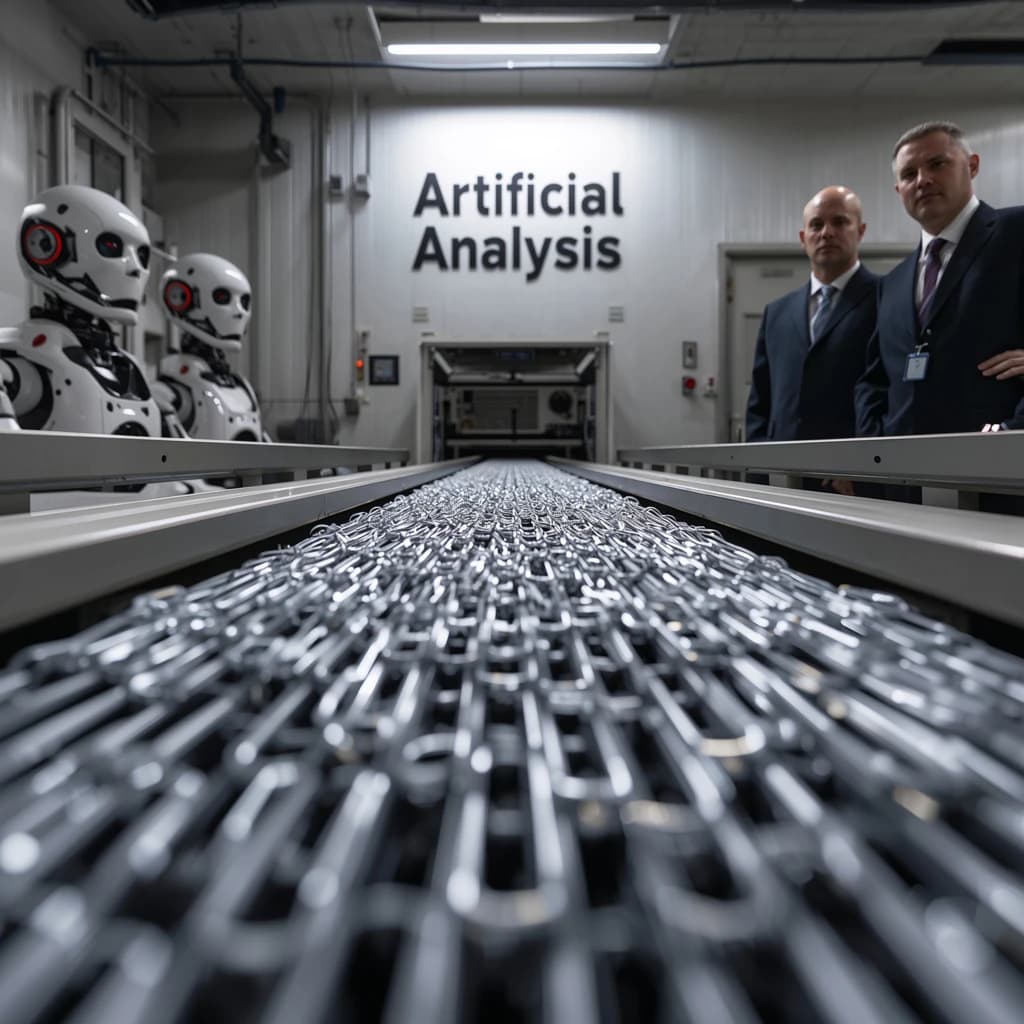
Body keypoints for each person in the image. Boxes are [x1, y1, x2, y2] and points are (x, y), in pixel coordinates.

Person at [855, 121, 1024, 438]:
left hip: (998, 455)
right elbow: (874, 380)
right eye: (909, 174)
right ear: (899, 191)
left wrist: (1011, 432)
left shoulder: (1016, 233)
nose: (923, 180)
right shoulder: (892, 283)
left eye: (937, 164)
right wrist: (874, 444)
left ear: (972, 166)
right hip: (902, 463)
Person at [746, 185, 878, 494]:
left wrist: (867, 471)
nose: (826, 233)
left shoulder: (887, 298)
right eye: (816, 225)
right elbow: (760, 403)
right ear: (803, 237)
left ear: (860, 231)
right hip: (780, 481)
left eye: (839, 222)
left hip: (852, 482)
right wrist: (759, 470)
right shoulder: (776, 313)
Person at [158, 252, 270, 443]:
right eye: (222, 297)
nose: (239, 312)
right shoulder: (169, 392)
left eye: (244, 302)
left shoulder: (241, 387)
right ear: (181, 297)